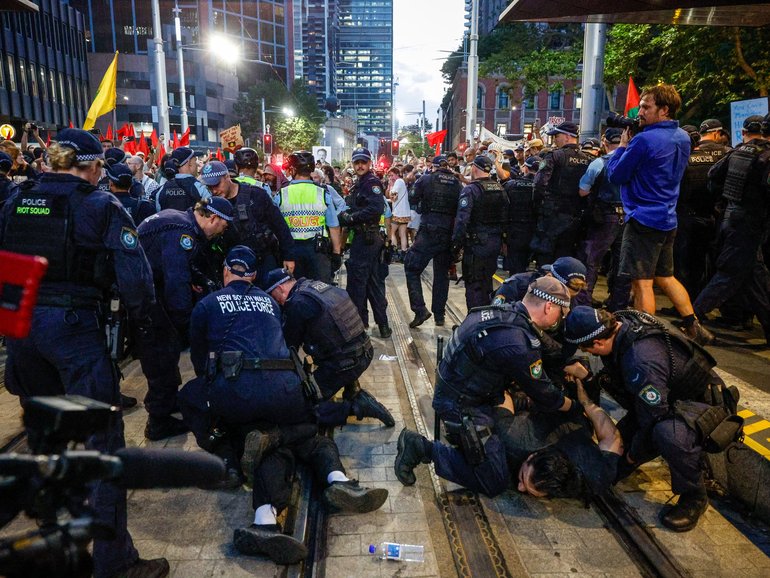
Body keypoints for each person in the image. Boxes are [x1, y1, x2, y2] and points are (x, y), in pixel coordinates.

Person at [0, 129, 168, 578]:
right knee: (102, 449)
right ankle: (115, 565)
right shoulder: (99, 203)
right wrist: (145, 323)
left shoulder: (16, 200)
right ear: (90, 164)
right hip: (74, 331)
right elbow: (135, 279)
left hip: (21, 331)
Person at [179, 246, 388, 565]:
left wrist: (217, 394)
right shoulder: (271, 305)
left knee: (205, 404)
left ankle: (246, 490)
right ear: (252, 277)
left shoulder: (207, 304)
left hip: (241, 394)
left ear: (225, 272)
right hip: (287, 391)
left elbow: (199, 360)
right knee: (308, 437)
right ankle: (337, 479)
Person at [394, 277, 584, 497]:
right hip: (462, 407)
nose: (559, 320)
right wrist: (575, 407)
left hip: (464, 389)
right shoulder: (519, 343)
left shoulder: (502, 312)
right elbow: (546, 395)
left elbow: (543, 346)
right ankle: (420, 447)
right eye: (561, 314)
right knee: (494, 480)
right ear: (549, 306)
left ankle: (468, 447)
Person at [563, 306, 738, 531]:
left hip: (702, 406)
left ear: (598, 343)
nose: (588, 354)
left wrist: (632, 457)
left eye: (586, 349)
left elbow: (654, 419)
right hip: (668, 397)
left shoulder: (640, 362)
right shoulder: (623, 320)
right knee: (611, 468)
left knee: (667, 434)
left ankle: (695, 494)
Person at [605, 84, 713, 344]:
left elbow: (616, 175)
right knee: (666, 276)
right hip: (667, 217)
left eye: (646, 107)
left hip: (643, 218)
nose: (640, 111)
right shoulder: (682, 137)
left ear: (664, 110)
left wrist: (621, 147)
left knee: (642, 281)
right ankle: (693, 325)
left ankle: (646, 336)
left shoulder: (643, 140)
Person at [136, 197, 233, 440]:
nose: (223, 232)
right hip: (147, 301)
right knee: (162, 355)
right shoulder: (182, 232)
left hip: (146, 295)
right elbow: (176, 282)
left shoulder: (177, 219)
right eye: (224, 226)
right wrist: (187, 324)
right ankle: (158, 422)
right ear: (213, 218)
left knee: (163, 352)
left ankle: (167, 404)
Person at [265, 269, 395, 427]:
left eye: (273, 296)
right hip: (365, 351)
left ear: (279, 289)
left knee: (301, 407)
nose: (276, 302)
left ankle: (354, 408)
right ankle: (353, 391)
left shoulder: (298, 303)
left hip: (344, 365)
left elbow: (288, 347)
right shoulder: (316, 287)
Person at [693, 114, 770, 346]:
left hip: (731, 220)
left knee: (756, 278)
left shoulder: (738, 152)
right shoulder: (765, 157)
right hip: (749, 225)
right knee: (729, 276)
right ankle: (691, 317)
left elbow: (713, 178)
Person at [495, 380, 622, 499]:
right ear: (532, 455)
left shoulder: (592, 478)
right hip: (555, 395)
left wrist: (586, 403)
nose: (519, 487)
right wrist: (586, 403)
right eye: (522, 477)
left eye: (523, 479)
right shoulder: (515, 437)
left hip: (565, 405)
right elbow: (613, 437)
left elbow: (612, 437)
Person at [200, 160, 295, 281]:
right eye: (209, 187)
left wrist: (288, 256)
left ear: (227, 176)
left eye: (217, 185)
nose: (214, 191)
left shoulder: (256, 195)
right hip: (233, 267)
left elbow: (280, 226)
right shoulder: (211, 204)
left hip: (263, 261)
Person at [338, 148, 392, 338]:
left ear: (370, 163)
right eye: (357, 162)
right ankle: (380, 325)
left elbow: (376, 208)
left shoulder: (371, 183)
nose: (360, 165)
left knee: (357, 284)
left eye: (363, 162)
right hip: (364, 239)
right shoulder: (360, 183)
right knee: (372, 284)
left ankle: (360, 326)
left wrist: (351, 218)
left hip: (367, 239)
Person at [404, 154, 463, 327]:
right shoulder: (457, 184)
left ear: (435, 167)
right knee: (441, 275)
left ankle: (420, 310)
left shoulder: (426, 179)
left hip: (428, 232)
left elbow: (412, 198)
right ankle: (439, 315)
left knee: (412, 268)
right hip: (447, 234)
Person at [576, 127, 631, 310]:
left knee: (591, 259)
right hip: (629, 216)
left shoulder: (599, 163)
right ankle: (618, 304)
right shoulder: (634, 161)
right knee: (622, 262)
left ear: (605, 143)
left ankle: (583, 300)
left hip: (604, 217)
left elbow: (583, 191)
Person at [529, 121, 592, 265]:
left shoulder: (554, 156)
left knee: (545, 257)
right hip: (574, 216)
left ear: (567, 136)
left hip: (552, 215)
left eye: (557, 135)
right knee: (566, 257)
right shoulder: (587, 160)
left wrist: (538, 206)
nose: (555, 139)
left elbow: (539, 183)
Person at [451, 155, 509, 311]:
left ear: (475, 169)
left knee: (474, 283)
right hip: (494, 243)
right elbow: (506, 217)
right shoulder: (500, 188)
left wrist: (456, 245)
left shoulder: (471, 190)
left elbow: (462, 220)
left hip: (476, 244)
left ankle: (475, 321)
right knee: (486, 282)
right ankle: (486, 316)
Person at [277, 151, 341, 283]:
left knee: (293, 293)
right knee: (320, 294)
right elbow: (334, 226)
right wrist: (336, 252)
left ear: (293, 169)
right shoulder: (323, 193)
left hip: (291, 253)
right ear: (311, 170)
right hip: (318, 253)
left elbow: (275, 226)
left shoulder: (281, 194)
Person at [503, 155, 539, 274]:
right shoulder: (543, 187)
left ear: (526, 169)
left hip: (515, 232)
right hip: (536, 231)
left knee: (515, 268)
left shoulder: (511, 185)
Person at [155, 147, 211, 212]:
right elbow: (209, 211)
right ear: (189, 163)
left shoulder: (162, 189)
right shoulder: (199, 188)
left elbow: (159, 212)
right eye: (195, 161)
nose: (197, 164)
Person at [387, 166, 411, 260]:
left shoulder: (398, 182)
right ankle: (404, 253)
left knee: (391, 232)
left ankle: (395, 251)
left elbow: (393, 196)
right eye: (389, 176)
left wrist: (390, 186)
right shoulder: (401, 182)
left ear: (397, 174)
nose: (390, 177)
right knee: (402, 234)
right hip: (405, 212)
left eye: (392, 175)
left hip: (398, 212)